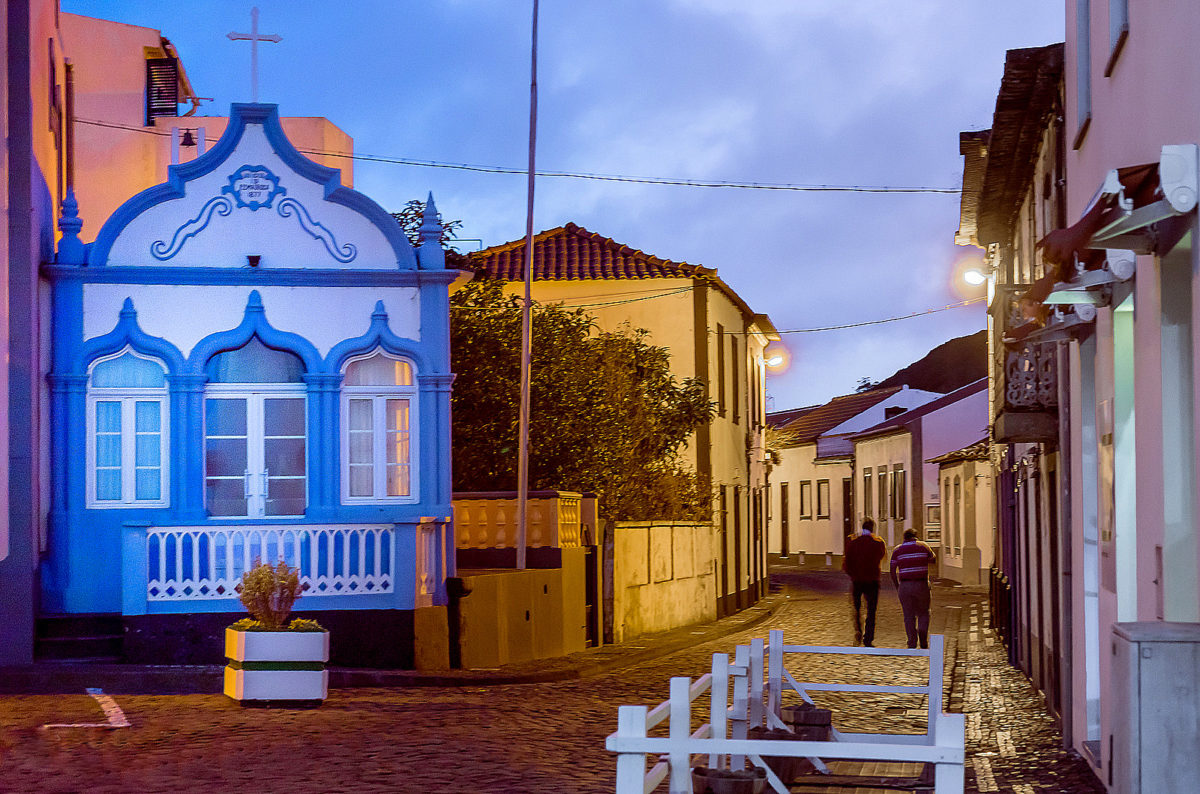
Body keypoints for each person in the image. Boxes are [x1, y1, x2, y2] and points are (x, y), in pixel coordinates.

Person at [890, 528, 938, 649]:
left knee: (908, 615)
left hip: (905, 585)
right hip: (921, 584)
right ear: (915, 537)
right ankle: (922, 635)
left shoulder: (897, 550)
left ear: (904, 538)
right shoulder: (923, 546)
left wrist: (897, 586)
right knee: (923, 612)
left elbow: (892, 570)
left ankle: (911, 642)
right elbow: (933, 559)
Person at [842, 517, 886, 647]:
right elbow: (881, 556)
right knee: (871, 610)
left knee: (856, 608)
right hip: (872, 580)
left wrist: (853, 575)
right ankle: (868, 638)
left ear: (862, 527)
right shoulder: (878, 543)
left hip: (857, 581)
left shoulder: (853, 542)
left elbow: (846, 563)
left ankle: (858, 631)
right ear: (873, 528)